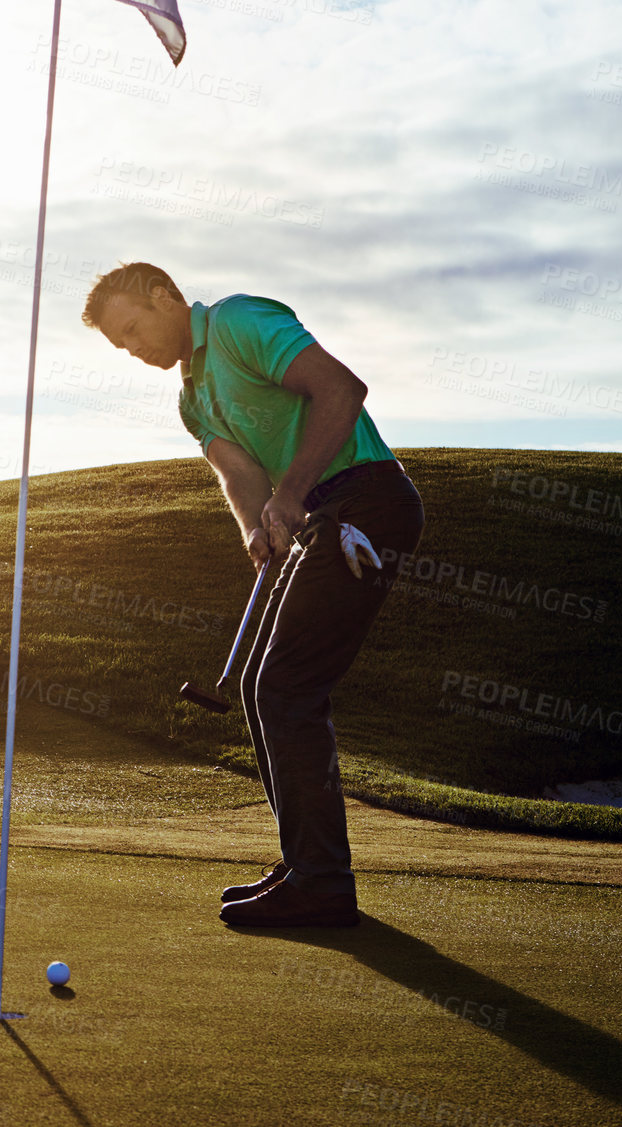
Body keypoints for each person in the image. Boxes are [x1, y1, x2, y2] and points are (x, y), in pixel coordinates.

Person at [81, 261, 424, 928]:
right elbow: (238, 473)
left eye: (134, 328)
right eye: (121, 346)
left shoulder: (238, 321)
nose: (135, 348)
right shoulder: (191, 398)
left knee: (285, 685)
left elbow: (342, 390)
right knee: (260, 687)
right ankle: (305, 863)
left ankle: (322, 881)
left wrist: (290, 494)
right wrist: (254, 527)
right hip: (320, 515)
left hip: (367, 499)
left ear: (166, 296)